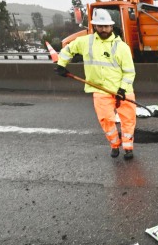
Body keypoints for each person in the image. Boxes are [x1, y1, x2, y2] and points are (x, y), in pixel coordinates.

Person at [55, 9, 137, 159]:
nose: (103, 29)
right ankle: (114, 145)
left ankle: (128, 148)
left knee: (128, 120)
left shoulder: (122, 47)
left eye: (106, 26)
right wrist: (61, 64)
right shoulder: (85, 42)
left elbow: (129, 72)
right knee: (106, 120)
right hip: (101, 90)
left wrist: (122, 89)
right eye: (100, 26)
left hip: (123, 90)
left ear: (111, 27)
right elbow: (68, 49)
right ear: (95, 27)